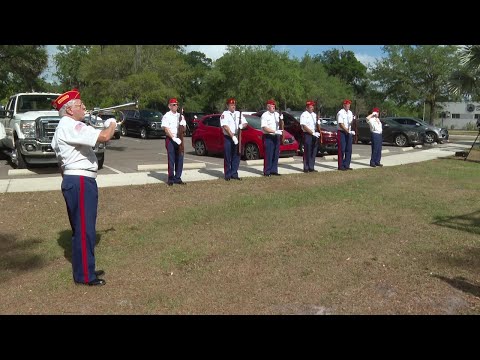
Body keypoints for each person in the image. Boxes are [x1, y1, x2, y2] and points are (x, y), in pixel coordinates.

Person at [51, 89, 117, 286]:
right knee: (85, 230)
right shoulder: (71, 125)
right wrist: (112, 123)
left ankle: (84, 269)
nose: (84, 108)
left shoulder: (64, 127)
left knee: (80, 229)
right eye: (81, 105)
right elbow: (105, 137)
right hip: (80, 180)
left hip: (74, 179)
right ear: (70, 110)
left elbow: (60, 162)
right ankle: (85, 276)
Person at [220, 97, 247, 181]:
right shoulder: (224, 114)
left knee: (237, 155)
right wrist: (232, 136)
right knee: (228, 156)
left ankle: (234, 173)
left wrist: (242, 125)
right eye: (231, 105)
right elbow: (225, 126)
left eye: (234, 105)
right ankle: (227, 174)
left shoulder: (239, 113)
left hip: (237, 135)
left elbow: (245, 123)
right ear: (228, 105)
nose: (233, 106)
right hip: (228, 137)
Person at [161, 98, 187, 186]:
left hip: (180, 139)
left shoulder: (181, 116)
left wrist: (183, 124)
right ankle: (171, 178)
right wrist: (173, 137)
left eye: (176, 105)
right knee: (171, 159)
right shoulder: (166, 116)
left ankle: (178, 178)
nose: (176, 106)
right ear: (169, 106)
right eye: (174, 105)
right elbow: (165, 128)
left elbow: (184, 129)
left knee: (180, 159)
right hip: (171, 139)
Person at [261, 99, 283, 176]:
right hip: (268, 136)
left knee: (275, 154)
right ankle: (267, 171)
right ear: (268, 107)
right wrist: (274, 131)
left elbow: (281, 125)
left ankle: (274, 170)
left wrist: (281, 119)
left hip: (276, 136)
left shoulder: (277, 114)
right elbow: (264, 128)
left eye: (274, 105)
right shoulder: (265, 115)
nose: (273, 107)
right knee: (268, 154)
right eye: (271, 105)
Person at [300, 100, 320, 173]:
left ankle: (311, 167)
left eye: (312, 107)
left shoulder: (314, 115)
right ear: (307, 108)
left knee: (313, 151)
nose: (312, 108)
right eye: (310, 107)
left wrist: (318, 126)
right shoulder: (304, 115)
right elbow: (304, 126)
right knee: (307, 151)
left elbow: (317, 125)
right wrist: (312, 133)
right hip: (308, 134)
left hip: (314, 134)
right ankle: (306, 167)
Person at [337, 99, 355, 170]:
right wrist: (347, 131)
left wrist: (354, 120)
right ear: (343, 105)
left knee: (349, 149)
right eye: (346, 105)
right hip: (342, 132)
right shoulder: (340, 113)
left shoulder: (350, 112)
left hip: (349, 132)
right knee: (342, 149)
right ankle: (341, 165)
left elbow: (350, 123)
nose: (348, 106)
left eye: (349, 105)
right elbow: (341, 124)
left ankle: (347, 164)